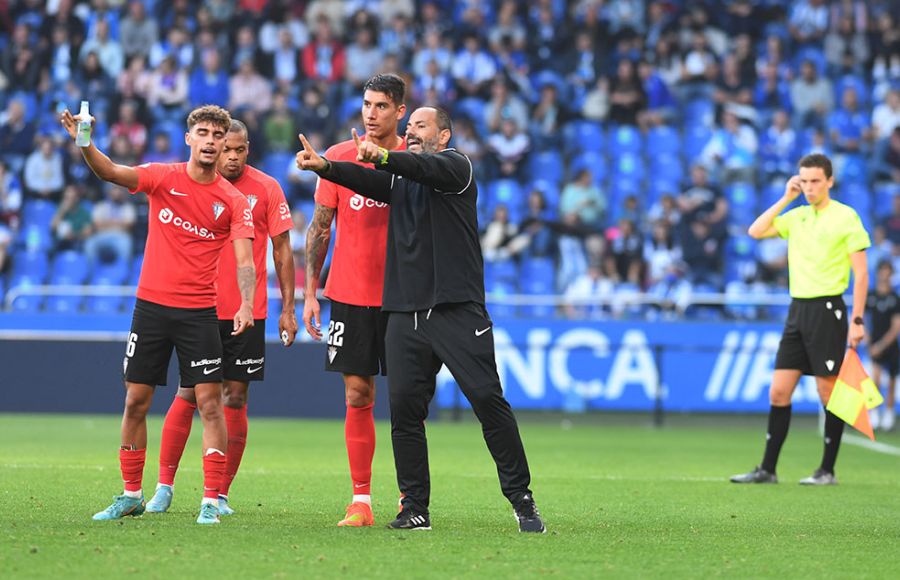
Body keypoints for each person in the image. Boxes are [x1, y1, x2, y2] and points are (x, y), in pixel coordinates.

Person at [296, 106, 546, 533]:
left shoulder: (457, 167)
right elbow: (367, 179)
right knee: (405, 413)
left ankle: (521, 499)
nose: (410, 132)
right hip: (404, 314)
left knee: (487, 400)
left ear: (444, 135)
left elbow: (411, 167)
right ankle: (414, 507)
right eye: (408, 127)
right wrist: (325, 166)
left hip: (456, 310)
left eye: (420, 126)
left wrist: (384, 157)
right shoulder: (399, 180)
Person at [60, 104, 256, 524]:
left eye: (216, 135)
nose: (209, 140)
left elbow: (245, 259)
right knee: (136, 400)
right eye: (202, 132)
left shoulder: (233, 200)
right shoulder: (163, 178)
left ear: (225, 144)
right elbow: (110, 171)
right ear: (189, 138)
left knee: (210, 404)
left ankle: (209, 500)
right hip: (150, 308)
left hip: (199, 313)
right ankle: (131, 494)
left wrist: (244, 302)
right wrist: (84, 141)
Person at [144, 119, 296, 516]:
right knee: (189, 392)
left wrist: (289, 307)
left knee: (236, 396)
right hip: (201, 306)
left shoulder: (266, 189)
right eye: (225, 147)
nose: (230, 155)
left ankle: (220, 493)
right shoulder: (196, 184)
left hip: (249, 309)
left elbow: (282, 249)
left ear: (248, 149)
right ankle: (164, 485)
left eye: (238, 149)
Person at [303, 73, 406, 528]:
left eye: (381, 105)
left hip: (404, 297)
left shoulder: (415, 161)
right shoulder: (338, 159)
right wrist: (310, 292)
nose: (371, 112)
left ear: (399, 111)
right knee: (357, 393)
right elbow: (320, 227)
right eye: (367, 103)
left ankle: (411, 498)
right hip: (348, 295)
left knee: (407, 399)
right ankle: (360, 501)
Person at [731, 153, 870, 486]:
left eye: (815, 181)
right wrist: (785, 197)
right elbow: (755, 230)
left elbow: (862, 274)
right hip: (798, 311)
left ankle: (827, 471)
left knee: (828, 393)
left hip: (827, 309)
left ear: (830, 182)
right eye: (804, 181)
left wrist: (858, 319)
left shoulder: (845, 217)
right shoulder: (796, 216)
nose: (809, 187)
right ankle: (767, 469)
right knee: (778, 392)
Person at [866, 261, 900, 431]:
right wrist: (868, 340)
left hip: (890, 344)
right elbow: (864, 320)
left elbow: (896, 325)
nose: (884, 275)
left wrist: (882, 344)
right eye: (882, 271)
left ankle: (889, 413)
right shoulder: (871, 296)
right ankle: (874, 413)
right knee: (875, 380)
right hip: (874, 342)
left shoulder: (894, 298)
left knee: (892, 381)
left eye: (887, 271)